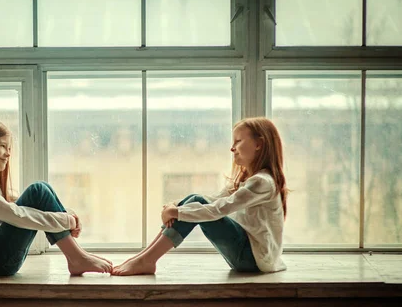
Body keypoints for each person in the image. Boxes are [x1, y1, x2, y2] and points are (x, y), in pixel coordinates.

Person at [112, 117, 288, 276]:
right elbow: (213, 199)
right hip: (249, 258)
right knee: (196, 198)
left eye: (238, 141)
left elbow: (219, 209)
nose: (232, 148)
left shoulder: (262, 182)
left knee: (198, 203)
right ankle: (145, 257)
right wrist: (176, 207)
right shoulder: (248, 180)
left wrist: (178, 212)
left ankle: (147, 260)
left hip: (253, 259)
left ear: (259, 144)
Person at [0, 118, 113, 277]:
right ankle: (77, 258)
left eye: (9, 148)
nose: (8, 154)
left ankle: (78, 256)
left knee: (41, 190)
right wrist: (66, 221)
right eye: (3, 146)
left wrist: (67, 214)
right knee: (38, 190)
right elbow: (18, 215)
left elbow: (34, 207)